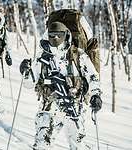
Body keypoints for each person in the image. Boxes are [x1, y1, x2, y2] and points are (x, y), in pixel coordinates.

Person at [19, 21, 102, 150]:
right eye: (52, 35)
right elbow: (29, 83)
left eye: (59, 35)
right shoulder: (42, 56)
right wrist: (25, 71)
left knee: (77, 144)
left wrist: (96, 94)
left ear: (65, 35)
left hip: (74, 106)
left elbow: (93, 76)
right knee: (42, 142)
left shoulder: (78, 55)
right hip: (49, 106)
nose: (55, 38)